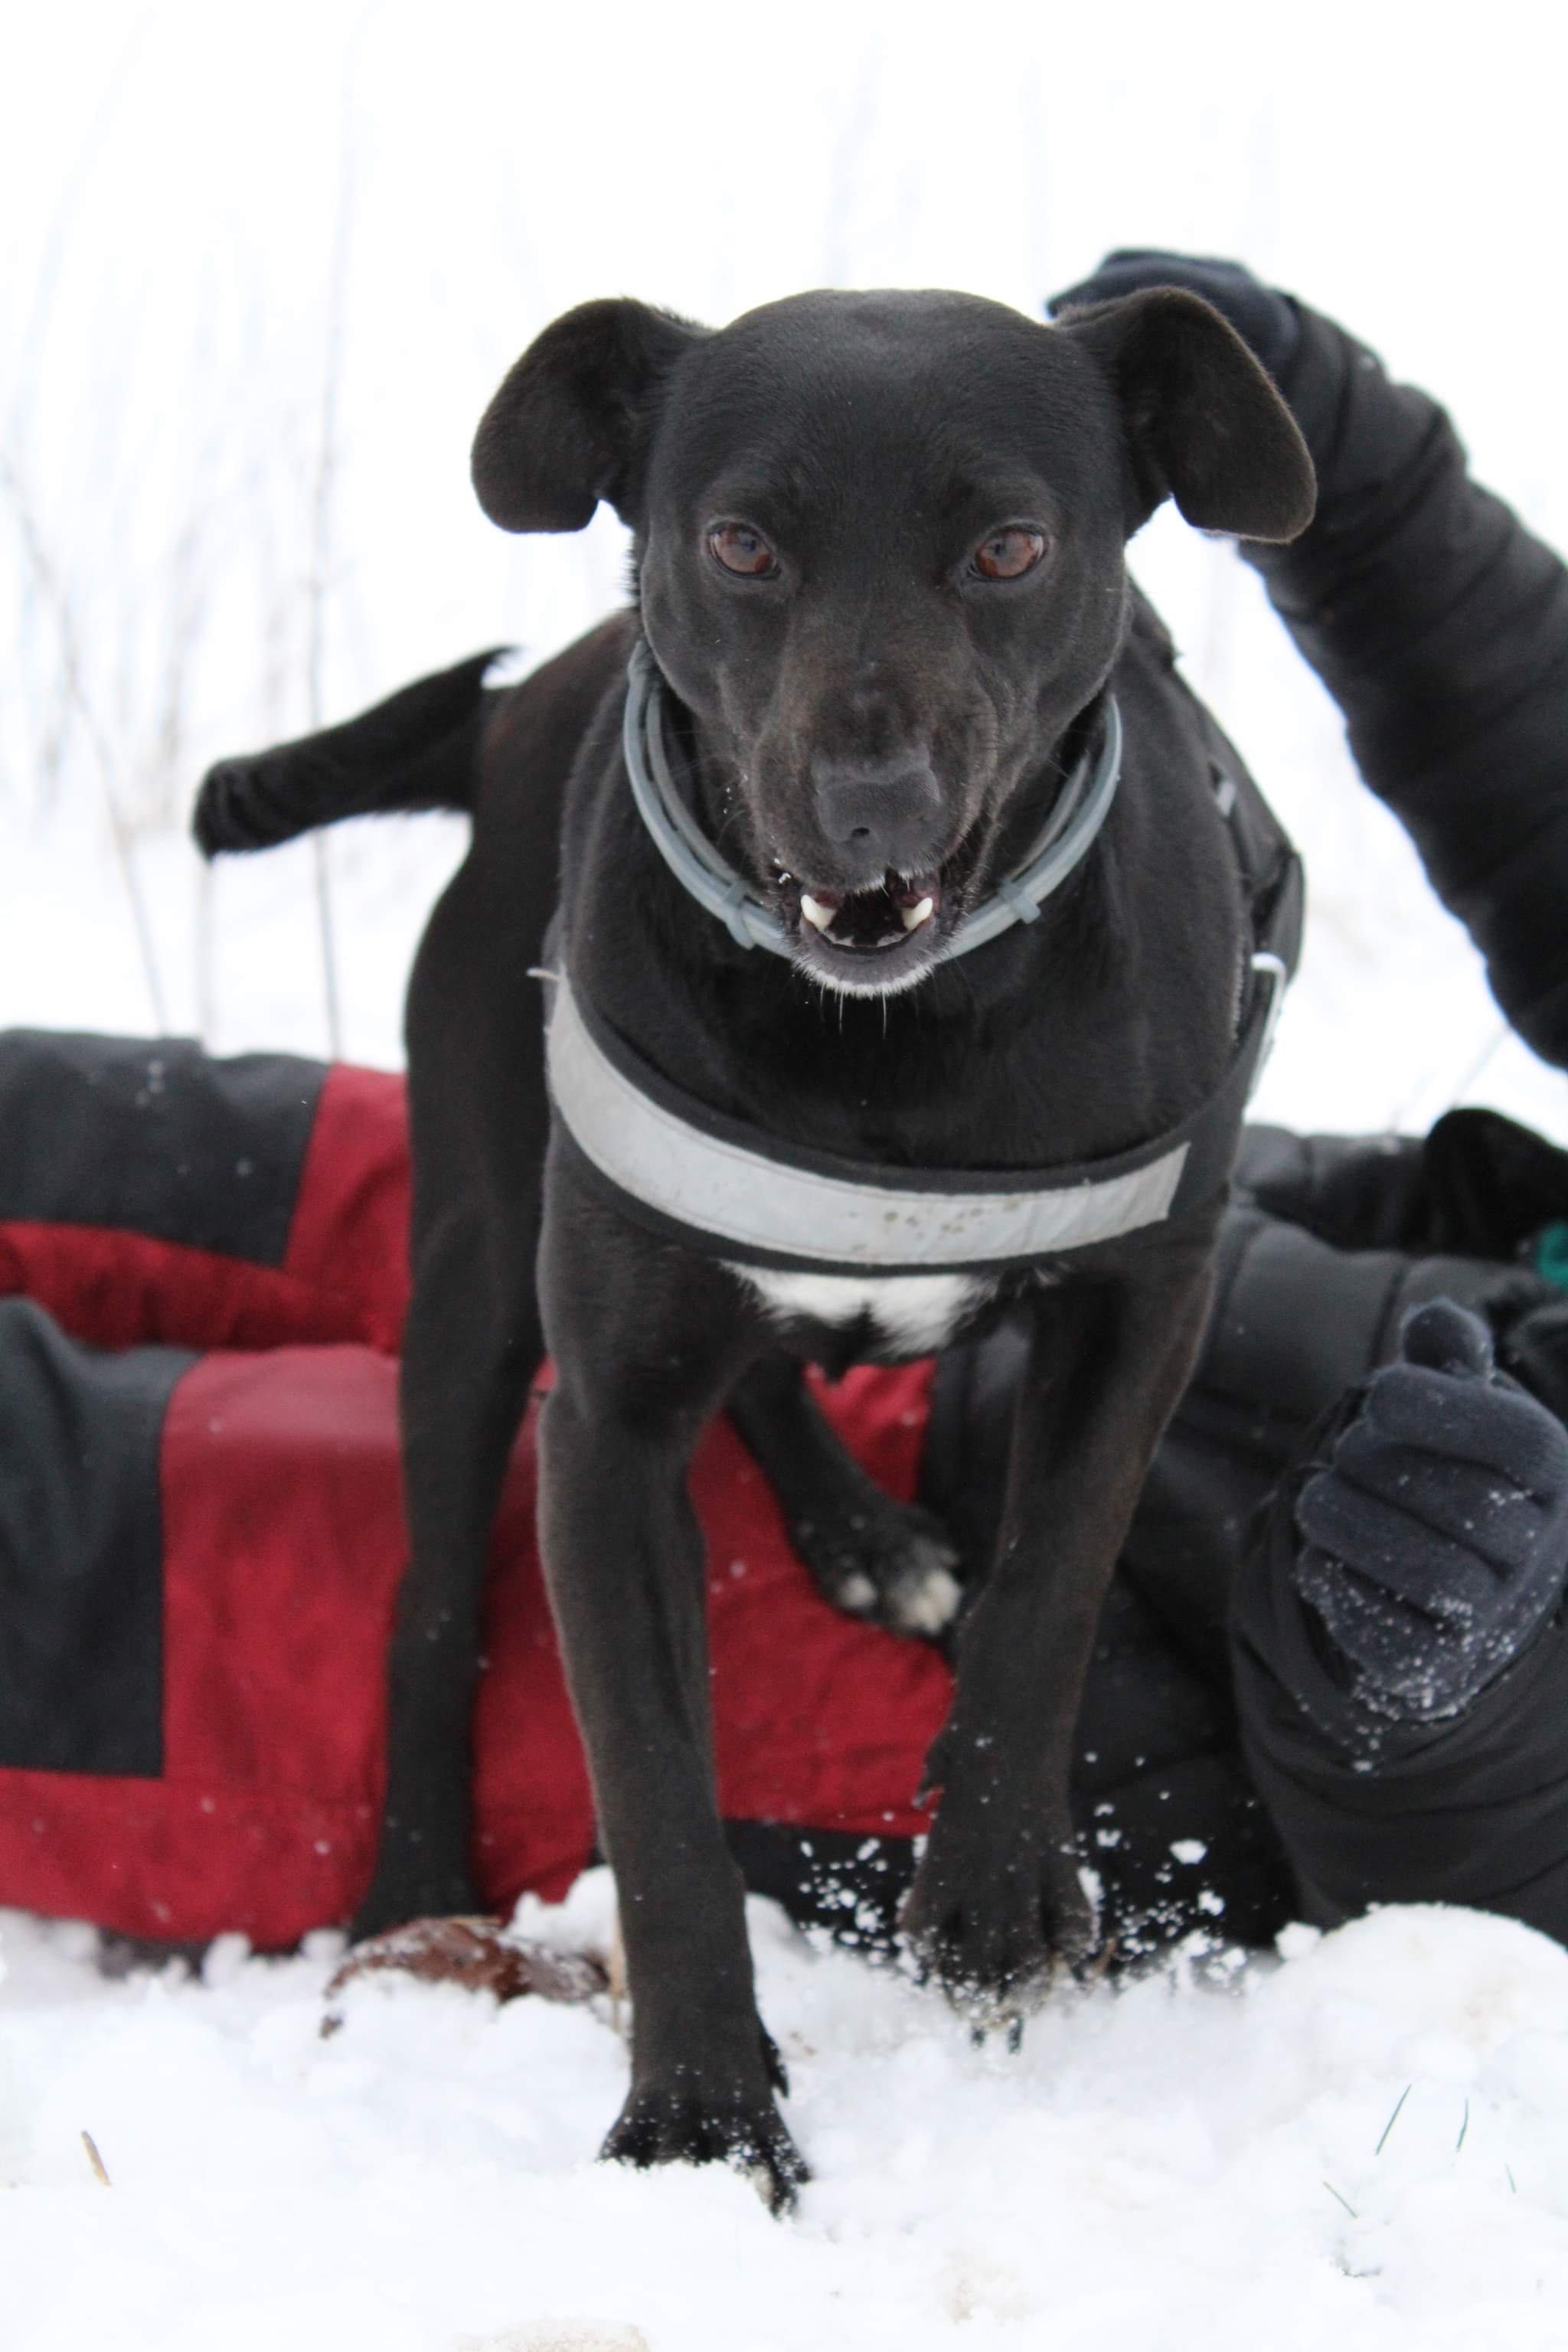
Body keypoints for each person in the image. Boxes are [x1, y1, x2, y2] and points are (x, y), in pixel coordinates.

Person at [2, 254, 1566, 1970]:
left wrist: (1433, 1670)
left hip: (989, 1636)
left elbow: (1491, 1861)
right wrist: (1356, 453)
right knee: (274, 1187)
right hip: (934, 1193)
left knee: (178, 1531)